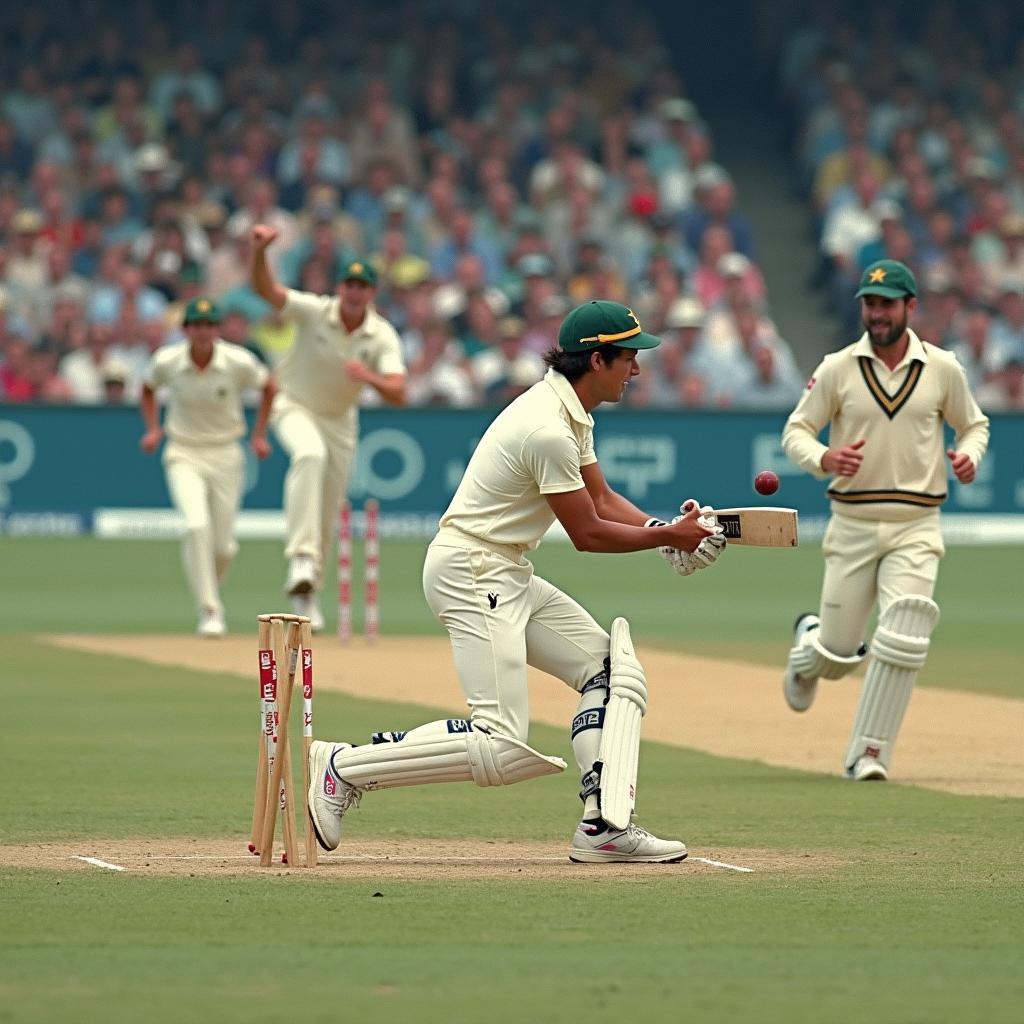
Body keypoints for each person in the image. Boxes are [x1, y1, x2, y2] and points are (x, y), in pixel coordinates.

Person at [305, 300, 727, 863]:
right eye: (629, 357)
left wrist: (662, 527)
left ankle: (603, 827)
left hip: (503, 569)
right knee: (499, 743)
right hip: (472, 570)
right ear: (597, 359)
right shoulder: (546, 428)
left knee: (610, 673)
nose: (637, 369)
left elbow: (601, 499)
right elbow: (587, 533)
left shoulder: (571, 411)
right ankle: (343, 767)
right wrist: (667, 540)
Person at [781, 260, 990, 781]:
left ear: (910, 307)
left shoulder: (942, 368)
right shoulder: (838, 368)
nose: (876, 314)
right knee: (838, 653)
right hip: (852, 524)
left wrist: (969, 456)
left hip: (916, 525)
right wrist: (824, 459)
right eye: (870, 304)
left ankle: (869, 752)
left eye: (887, 304)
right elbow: (796, 431)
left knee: (906, 631)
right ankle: (809, 646)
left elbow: (975, 426)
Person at [249, 224, 408, 631]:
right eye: (349, 284)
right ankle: (300, 556)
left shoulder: (381, 334)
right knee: (308, 454)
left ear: (372, 292)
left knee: (328, 512)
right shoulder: (314, 310)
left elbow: (399, 392)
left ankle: (307, 596)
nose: (354, 291)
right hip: (295, 405)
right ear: (340, 287)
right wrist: (260, 253)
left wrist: (368, 378)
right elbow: (267, 290)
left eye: (362, 285)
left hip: (340, 422)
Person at [140, 297, 275, 637]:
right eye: (196, 326)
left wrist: (259, 435)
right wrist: (154, 428)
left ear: (217, 330)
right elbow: (147, 387)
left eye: (209, 326)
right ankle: (210, 609)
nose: (203, 332)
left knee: (224, 547)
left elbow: (269, 387)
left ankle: (207, 590)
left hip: (226, 454)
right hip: (183, 453)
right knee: (196, 526)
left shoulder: (236, 361)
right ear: (186, 330)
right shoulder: (168, 361)